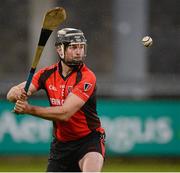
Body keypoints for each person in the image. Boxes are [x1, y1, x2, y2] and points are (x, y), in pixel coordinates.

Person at [7, 28, 105, 172]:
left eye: (81, 47)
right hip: (61, 146)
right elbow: (11, 94)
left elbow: (65, 113)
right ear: (60, 50)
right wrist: (17, 93)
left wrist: (29, 109)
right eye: (73, 47)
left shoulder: (87, 77)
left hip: (89, 141)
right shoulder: (46, 74)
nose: (79, 52)